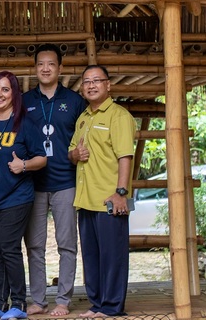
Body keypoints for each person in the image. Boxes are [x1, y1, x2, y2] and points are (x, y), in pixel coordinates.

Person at [0, 71, 47, 320]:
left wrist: (23, 166)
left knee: (10, 248)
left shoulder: (25, 124)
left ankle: (19, 304)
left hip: (17, 196)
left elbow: (42, 159)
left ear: (14, 94)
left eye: (5, 89)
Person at [22, 44, 87, 317]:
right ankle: (38, 299)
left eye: (51, 64)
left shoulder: (74, 101)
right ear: (35, 68)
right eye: (40, 64)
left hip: (65, 182)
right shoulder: (24, 101)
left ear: (60, 68)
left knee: (67, 244)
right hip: (32, 184)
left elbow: (86, 138)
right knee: (34, 245)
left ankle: (63, 300)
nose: (45, 68)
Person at [67, 65, 136, 318]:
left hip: (109, 200)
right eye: (87, 81)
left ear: (109, 85)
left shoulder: (118, 116)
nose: (92, 85)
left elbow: (125, 156)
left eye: (97, 80)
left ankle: (111, 307)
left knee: (113, 258)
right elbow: (72, 152)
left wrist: (121, 192)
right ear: (82, 88)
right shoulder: (83, 117)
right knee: (92, 258)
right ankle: (97, 304)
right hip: (86, 200)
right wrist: (75, 154)